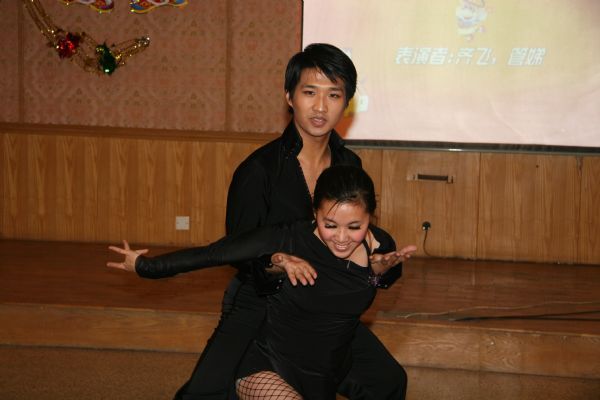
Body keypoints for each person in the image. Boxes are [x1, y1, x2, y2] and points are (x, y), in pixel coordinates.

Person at [117, 43, 408, 399]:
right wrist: (275, 263)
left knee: (387, 381)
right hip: (262, 304)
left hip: (322, 306)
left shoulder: (350, 166)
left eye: (333, 95)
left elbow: (365, 245)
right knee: (205, 392)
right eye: (310, 92)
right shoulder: (259, 170)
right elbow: (237, 253)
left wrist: (381, 269)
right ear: (289, 97)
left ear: (346, 102)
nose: (320, 106)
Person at [108, 165, 417, 400]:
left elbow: (380, 278)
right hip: (268, 362)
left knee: (391, 381)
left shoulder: (380, 244)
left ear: (370, 218)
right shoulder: (287, 237)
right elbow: (213, 253)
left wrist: (380, 270)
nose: (341, 237)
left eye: (354, 227)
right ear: (315, 213)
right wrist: (146, 266)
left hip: (326, 365)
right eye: (330, 225)